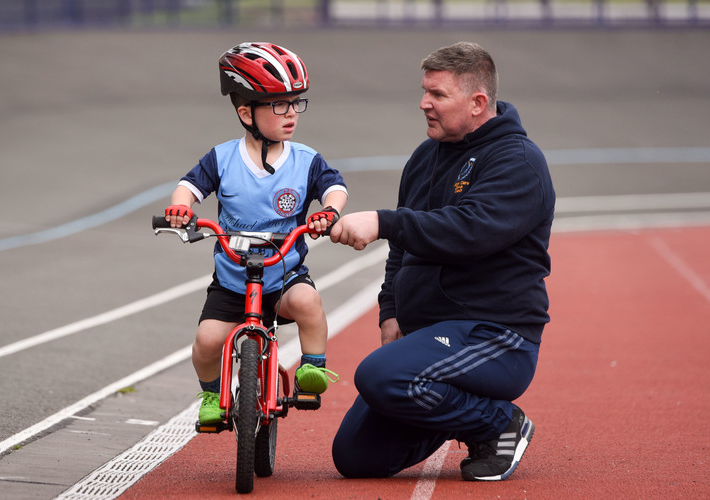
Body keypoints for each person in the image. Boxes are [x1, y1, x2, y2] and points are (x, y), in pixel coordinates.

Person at [329, 41, 554, 482]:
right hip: (429, 335)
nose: (424, 103)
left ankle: (497, 424)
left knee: (381, 376)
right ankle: (448, 405)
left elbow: (468, 231)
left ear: (477, 103)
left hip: (495, 336)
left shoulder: (518, 161)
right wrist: (390, 310)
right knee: (355, 458)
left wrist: (381, 220)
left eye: (437, 95)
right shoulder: (424, 157)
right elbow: (402, 247)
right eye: (424, 91)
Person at [165, 42, 348, 425]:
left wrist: (328, 211)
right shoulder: (223, 158)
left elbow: (335, 187)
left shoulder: (305, 160)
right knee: (207, 343)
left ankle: (312, 368)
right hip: (233, 280)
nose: (291, 113)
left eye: (296, 103)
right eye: (279, 105)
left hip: (284, 275)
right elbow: (189, 186)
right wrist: (182, 207)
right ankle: (213, 395)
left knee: (309, 305)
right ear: (246, 112)